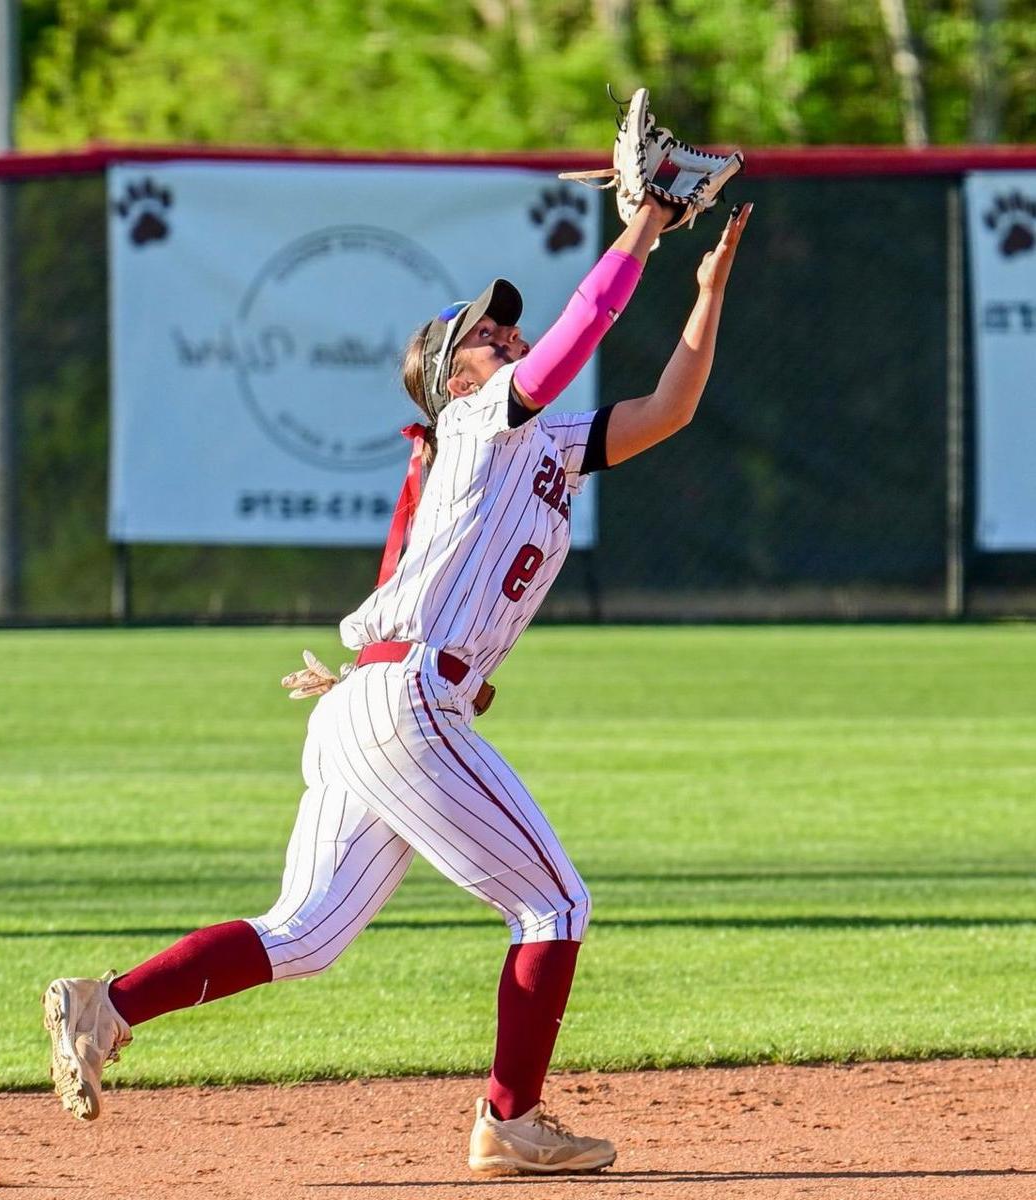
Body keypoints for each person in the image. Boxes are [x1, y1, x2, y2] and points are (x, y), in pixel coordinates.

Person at [42, 189, 752, 1176]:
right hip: (403, 702)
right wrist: (640, 228)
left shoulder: (545, 445)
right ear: (448, 380)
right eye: (485, 331)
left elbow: (669, 408)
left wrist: (705, 293)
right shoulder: (476, 423)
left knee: (306, 933)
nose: (507, 331)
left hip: (373, 707)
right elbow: (581, 329)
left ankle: (105, 1004)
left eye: (507, 324)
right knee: (555, 906)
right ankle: (511, 1119)